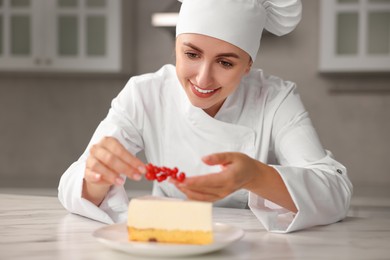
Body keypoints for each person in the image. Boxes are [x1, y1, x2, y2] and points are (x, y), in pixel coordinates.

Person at [58, 0, 353, 233]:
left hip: (246, 246)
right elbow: (72, 188)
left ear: (247, 65)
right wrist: (98, 174)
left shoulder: (275, 99)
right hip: (164, 242)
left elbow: (336, 192)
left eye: (225, 62)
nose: (203, 78)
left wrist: (254, 175)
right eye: (192, 55)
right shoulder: (144, 94)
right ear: (176, 47)